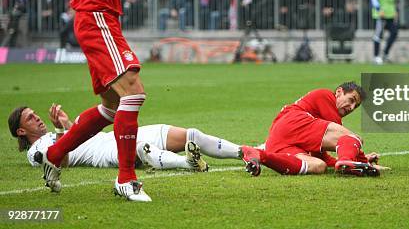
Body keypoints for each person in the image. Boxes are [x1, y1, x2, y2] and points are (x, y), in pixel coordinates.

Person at [38, 0, 205, 202]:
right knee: (134, 92)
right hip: (96, 17)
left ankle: (55, 154)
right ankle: (126, 180)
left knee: (112, 106)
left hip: (101, 20)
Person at [8, 104, 243, 171]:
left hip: (110, 136)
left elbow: (76, 136)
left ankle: (245, 152)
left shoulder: (51, 134)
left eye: (35, 114)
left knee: (190, 134)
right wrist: (60, 130)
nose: (37, 118)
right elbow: (62, 160)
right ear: (21, 131)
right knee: (141, 147)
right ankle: (188, 163)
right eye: (30, 118)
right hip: (104, 153)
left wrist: (65, 124)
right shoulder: (34, 152)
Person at [240, 82, 386, 177]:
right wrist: (363, 162)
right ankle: (349, 161)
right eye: (352, 100)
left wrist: (359, 161)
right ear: (339, 92)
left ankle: (258, 154)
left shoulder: (319, 124)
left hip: (279, 141)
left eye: (356, 106)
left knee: (317, 166)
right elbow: (343, 138)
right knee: (354, 138)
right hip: (294, 121)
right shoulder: (326, 96)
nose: (352, 107)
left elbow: (323, 157)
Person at [371, 0, 398, 65]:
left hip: (390, 13)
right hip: (381, 14)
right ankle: (376, 56)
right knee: (378, 34)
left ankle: (385, 53)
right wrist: (378, 9)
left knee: (394, 33)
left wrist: (395, 10)